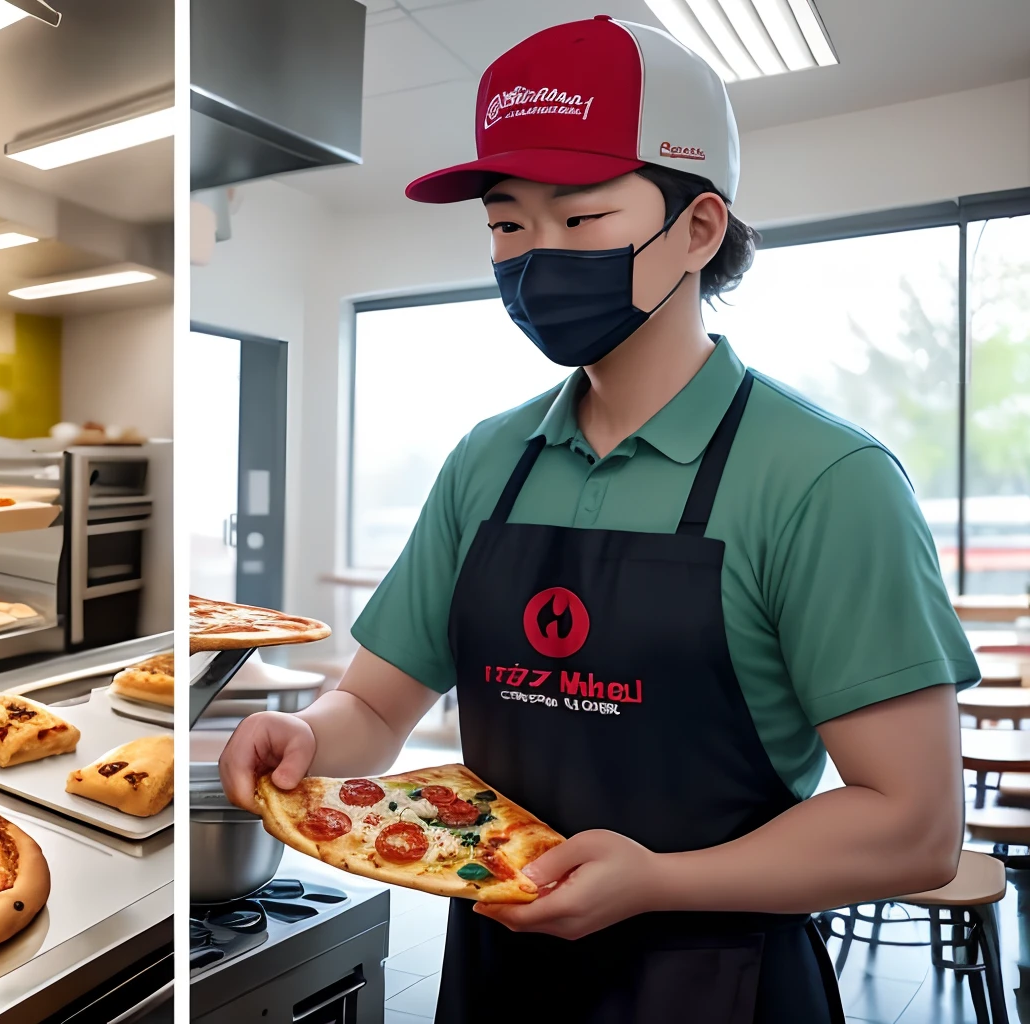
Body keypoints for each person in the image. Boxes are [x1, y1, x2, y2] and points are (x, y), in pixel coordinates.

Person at [217, 15, 977, 1023]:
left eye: (577, 220)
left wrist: (656, 878)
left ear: (698, 229)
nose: (532, 256)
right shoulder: (487, 460)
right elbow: (374, 710)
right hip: (496, 976)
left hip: (719, 983)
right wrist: (302, 735)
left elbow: (913, 824)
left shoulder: (822, 477)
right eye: (504, 224)